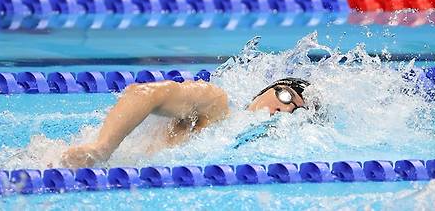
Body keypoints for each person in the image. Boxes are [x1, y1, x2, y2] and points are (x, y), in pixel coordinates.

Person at [61, 77, 311, 167]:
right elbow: (144, 93)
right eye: (285, 95)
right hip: (80, 163)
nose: (283, 108)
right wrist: (101, 148)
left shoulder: (249, 151)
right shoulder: (216, 104)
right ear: (266, 90)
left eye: (294, 111)